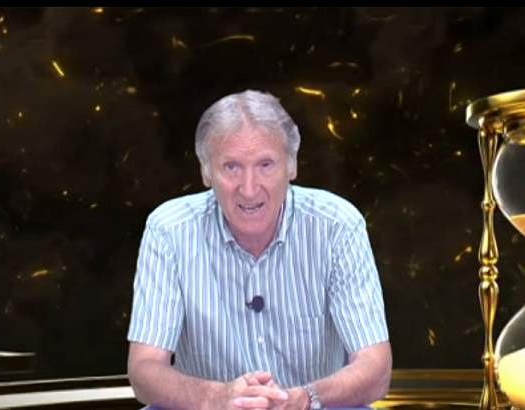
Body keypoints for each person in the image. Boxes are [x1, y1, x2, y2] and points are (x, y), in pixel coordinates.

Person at [127, 89, 392, 410]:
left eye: (266, 165)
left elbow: (376, 369)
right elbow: (144, 369)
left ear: (291, 166)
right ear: (206, 172)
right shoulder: (168, 230)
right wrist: (216, 398)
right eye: (231, 167)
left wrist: (302, 399)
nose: (249, 189)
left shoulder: (338, 226)